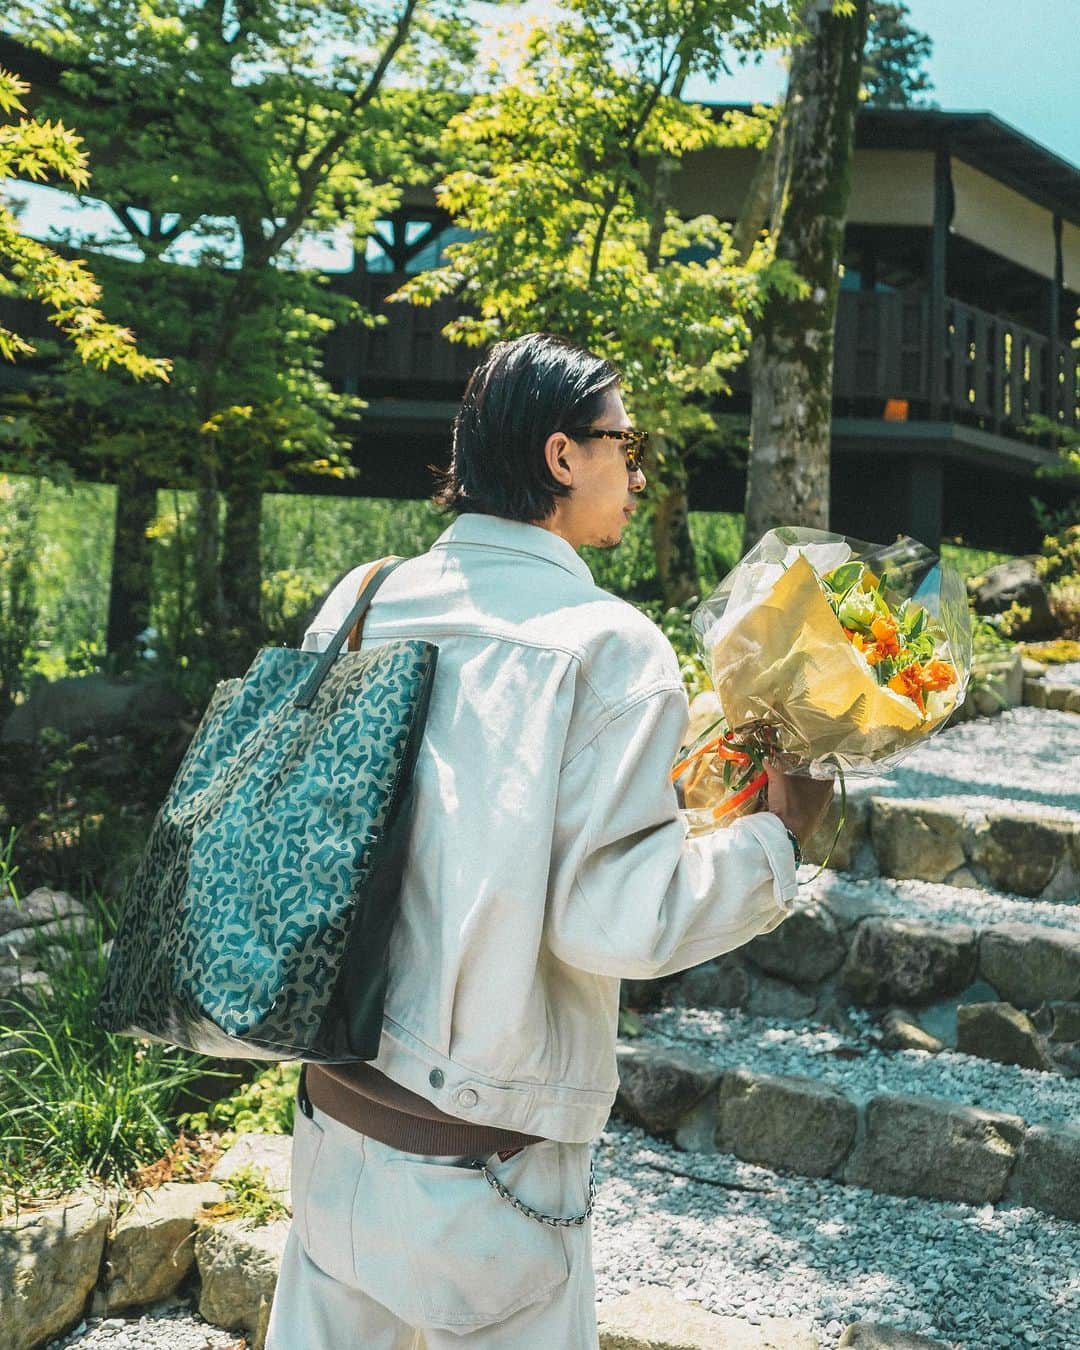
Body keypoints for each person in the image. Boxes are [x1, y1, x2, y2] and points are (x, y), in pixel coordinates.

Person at [264, 332, 833, 1349]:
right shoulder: (608, 643)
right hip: (484, 1169)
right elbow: (616, 920)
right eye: (627, 441)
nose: (639, 467)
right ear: (564, 456)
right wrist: (776, 839)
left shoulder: (363, 597)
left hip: (331, 1121)